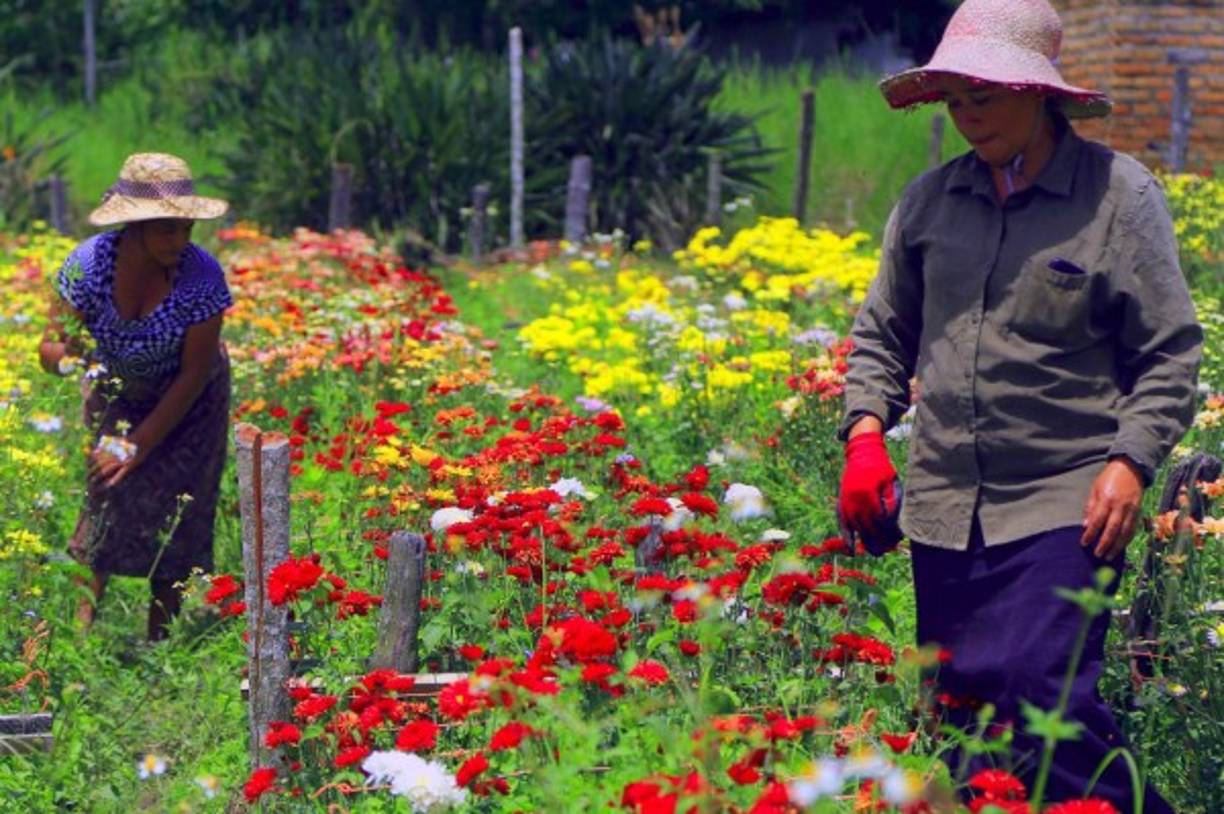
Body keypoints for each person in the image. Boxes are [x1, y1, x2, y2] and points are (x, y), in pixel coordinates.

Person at [836, 0, 1200, 810]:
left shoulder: (1116, 198)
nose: (968, 119)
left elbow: (1170, 352)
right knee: (967, 728)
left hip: (1066, 499)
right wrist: (865, 436)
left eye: (985, 98)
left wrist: (1130, 462)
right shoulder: (929, 206)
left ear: (1039, 94)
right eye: (956, 102)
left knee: (1043, 705)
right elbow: (881, 337)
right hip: (943, 507)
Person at [38, 153, 233, 642]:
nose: (180, 239)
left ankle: (158, 644)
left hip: (192, 403)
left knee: (180, 507)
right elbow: (48, 348)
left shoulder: (201, 277)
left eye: (186, 227)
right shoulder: (88, 266)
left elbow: (193, 375)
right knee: (104, 493)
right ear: (135, 224)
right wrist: (74, 359)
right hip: (118, 391)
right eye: (168, 229)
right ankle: (80, 637)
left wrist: (140, 443)